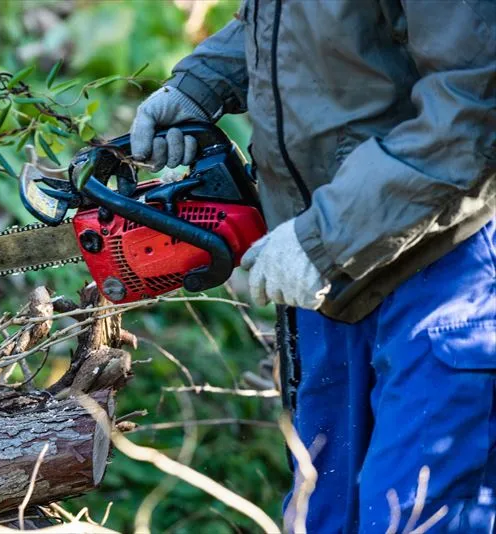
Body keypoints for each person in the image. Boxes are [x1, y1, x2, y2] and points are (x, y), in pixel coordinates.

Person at [129, 1, 496, 532]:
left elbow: (477, 100)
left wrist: (327, 237)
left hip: (440, 265)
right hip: (324, 275)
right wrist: (202, 82)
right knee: (319, 516)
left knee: (411, 517)